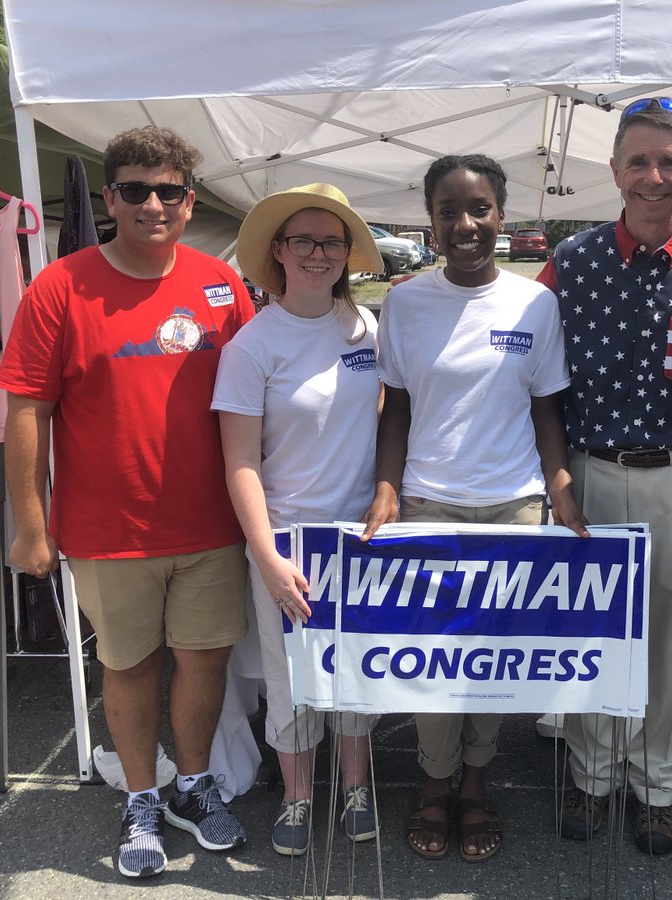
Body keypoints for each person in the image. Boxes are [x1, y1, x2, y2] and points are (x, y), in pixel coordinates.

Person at [0, 126, 254, 879]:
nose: (153, 205)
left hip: (211, 524)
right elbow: (26, 410)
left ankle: (193, 785)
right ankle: (141, 796)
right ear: (109, 198)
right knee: (130, 666)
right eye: (135, 190)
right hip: (109, 530)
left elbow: (256, 392)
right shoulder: (60, 286)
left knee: (204, 662)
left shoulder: (222, 284)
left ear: (190, 200)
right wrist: (30, 527)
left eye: (169, 191)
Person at [536, 97, 672, 854]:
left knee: (670, 633)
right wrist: (557, 480)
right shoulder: (572, 261)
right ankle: (593, 772)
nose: (653, 176)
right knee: (593, 628)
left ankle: (659, 780)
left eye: (668, 161)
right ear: (614, 170)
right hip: (590, 475)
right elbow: (540, 382)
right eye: (638, 161)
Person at [361, 153, 587, 863]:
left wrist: (559, 490)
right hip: (430, 505)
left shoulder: (534, 304)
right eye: (449, 211)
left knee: (493, 660)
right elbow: (396, 406)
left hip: (513, 507)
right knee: (435, 660)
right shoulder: (405, 303)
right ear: (430, 222)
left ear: (501, 215)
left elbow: (547, 410)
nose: (465, 224)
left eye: (479, 208)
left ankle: (477, 785)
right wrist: (387, 487)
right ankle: (434, 784)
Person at [212, 183, 383, 856]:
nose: (318, 254)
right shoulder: (252, 346)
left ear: (347, 252)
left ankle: (356, 787)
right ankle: (297, 795)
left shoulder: (368, 329)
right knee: (289, 676)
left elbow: (381, 422)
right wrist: (266, 555)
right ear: (279, 251)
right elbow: (240, 462)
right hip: (286, 542)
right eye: (304, 241)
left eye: (331, 242)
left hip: (361, 539)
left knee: (357, 670)